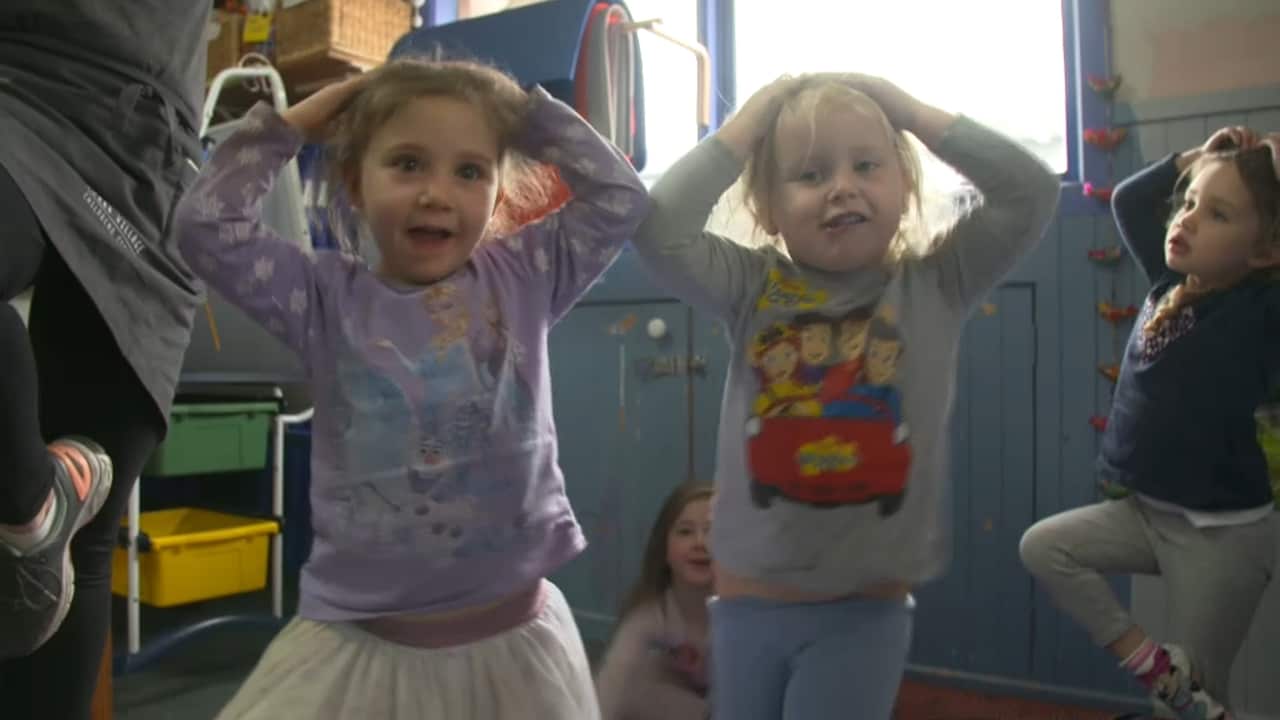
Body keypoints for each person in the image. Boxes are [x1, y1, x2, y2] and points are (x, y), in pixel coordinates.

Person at [174, 56, 649, 719]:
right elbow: (204, 227)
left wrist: (526, 115)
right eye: (407, 163)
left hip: (514, 643)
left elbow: (621, 197)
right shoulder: (321, 297)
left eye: (469, 171)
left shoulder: (526, 274)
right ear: (356, 185)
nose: (437, 193)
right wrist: (288, 128)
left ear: (496, 188)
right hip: (367, 648)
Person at [630, 73, 1059, 719]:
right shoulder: (754, 285)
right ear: (770, 209)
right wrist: (748, 125)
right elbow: (659, 232)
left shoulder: (938, 282)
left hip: (865, 612)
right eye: (809, 175)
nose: (842, 187)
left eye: (867, 165)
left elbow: (1030, 191)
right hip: (747, 601)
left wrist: (910, 111)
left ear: (905, 187)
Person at [1020, 127, 1280, 720]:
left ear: (1265, 251)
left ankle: (1177, 689)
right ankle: (1153, 666)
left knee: (1194, 708)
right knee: (1045, 549)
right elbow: (1131, 201)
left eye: (1216, 215)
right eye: (1188, 203)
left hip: (1222, 537)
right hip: (1145, 514)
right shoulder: (1167, 286)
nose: (1185, 219)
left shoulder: (1262, 314)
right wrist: (1198, 159)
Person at [0, 3, 210, 717]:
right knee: (39, 548)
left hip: (143, 134)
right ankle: (34, 506)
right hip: (17, 86)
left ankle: (36, 513)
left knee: (77, 551)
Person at [596, 483, 714, 720]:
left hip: (735, 695)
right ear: (665, 548)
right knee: (639, 677)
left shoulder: (740, 610)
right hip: (689, 693)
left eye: (713, 531)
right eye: (685, 532)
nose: (700, 543)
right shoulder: (653, 610)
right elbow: (612, 681)